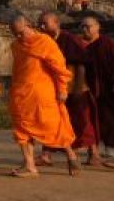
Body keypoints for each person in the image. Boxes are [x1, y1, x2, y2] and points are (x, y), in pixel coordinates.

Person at [8, 15, 79, 177]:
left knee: (53, 126)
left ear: (29, 25)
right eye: (15, 34)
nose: (19, 37)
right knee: (22, 130)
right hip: (21, 95)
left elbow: (59, 67)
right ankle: (30, 166)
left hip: (43, 94)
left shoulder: (45, 42)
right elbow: (18, 70)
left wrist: (62, 89)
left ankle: (71, 155)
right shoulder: (16, 45)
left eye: (21, 33)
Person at [36, 12, 100, 166]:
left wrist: (79, 85)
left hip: (76, 86)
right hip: (55, 87)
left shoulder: (71, 40)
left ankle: (94, 153)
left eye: (45, 23)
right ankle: (46, 154)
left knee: (83, 121)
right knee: (54, 120)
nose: (41, 27)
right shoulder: (44, 41)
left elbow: (86, 61)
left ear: (56, 23)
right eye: (40, 24)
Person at [79, 16, 114, 163]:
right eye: (82, 26)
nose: (85, 29)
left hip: (109, 86)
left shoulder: (108, 43)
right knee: (93, 119)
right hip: (91, 89)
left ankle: (112, 147)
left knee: (111, 118)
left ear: (97, 27)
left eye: (88, 26)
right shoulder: (82, 46)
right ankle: (94, 151)